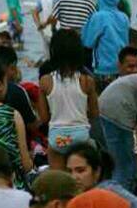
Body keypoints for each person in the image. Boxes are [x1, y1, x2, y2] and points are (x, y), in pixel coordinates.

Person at [40, 29, 98, 171]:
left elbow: (44, 118)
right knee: (81, 178)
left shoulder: (45, 81)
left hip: (57, 137)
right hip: (81, 136)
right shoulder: (87, 81)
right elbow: (95, 113)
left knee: (60, 180)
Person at [82, 0, 131, 81]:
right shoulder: (124, 17)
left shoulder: (99, 16)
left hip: (103, 69)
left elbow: (88, 42)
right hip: (122, 68)